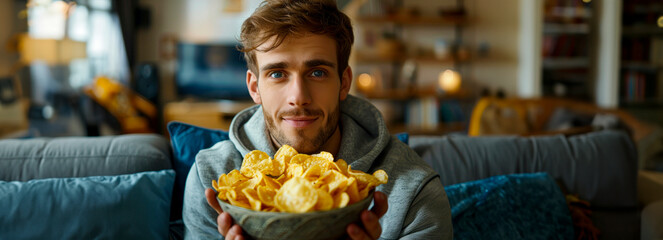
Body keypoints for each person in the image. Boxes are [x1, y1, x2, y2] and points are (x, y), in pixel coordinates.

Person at [182, 0, 453, 239]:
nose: (298, 97)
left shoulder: (414, 191)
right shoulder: (212, 181)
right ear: (254, 88)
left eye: (317, 73)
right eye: (277, 73)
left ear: (344, 82)